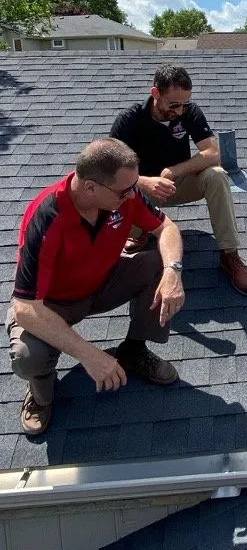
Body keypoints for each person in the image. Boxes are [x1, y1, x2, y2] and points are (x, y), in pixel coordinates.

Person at [7, 139, 185, 435]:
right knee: (28, 357)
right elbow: (25, 308)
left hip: (103, 282)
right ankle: (40, 395)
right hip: (52, 306)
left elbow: (166, 228)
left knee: (159, 263)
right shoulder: (46, 217)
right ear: (91, 187)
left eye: (134, 186)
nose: (133, 195)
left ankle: (134, 350)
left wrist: (173, 272)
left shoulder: (124, 196)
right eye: (125, 190)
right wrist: (89, 354)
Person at [110, 65, 247, 296]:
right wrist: (144, 182)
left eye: (184, 104)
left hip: (177, 185)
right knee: (115, 186)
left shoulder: (190, 112)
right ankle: (137, 233)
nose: (179, 111)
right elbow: (110, 167)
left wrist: (175, 170)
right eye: (173, 104)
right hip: (140, 194)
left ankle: (229, 255)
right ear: (155, 93)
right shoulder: (130, 119)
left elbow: (212, 153)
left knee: (217, 175)